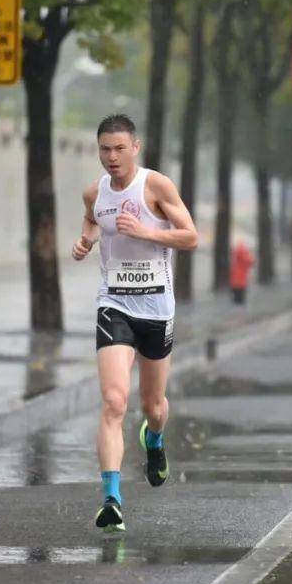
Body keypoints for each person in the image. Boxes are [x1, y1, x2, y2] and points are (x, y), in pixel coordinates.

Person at [71, 114, 198, 533]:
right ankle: (112, 498)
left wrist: (146, 231)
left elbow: (191, 236)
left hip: (157, 308)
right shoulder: (95, 193)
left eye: (119, 148)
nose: (112, 157)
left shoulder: (156, 186)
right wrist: (86, 239)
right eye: (105, 149)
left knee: (153, 407)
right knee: (113, 401)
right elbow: (93, 220)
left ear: (135, 148)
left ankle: (155, 439)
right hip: (115, 305)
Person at [229, 236, 255, 305]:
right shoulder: (242, 250)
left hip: (237, 277)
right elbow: (248, 260)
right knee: (240, 294)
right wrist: (252, 259)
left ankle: (236, 303)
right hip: (240, 277)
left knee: (236, 293)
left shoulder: (237, 251)